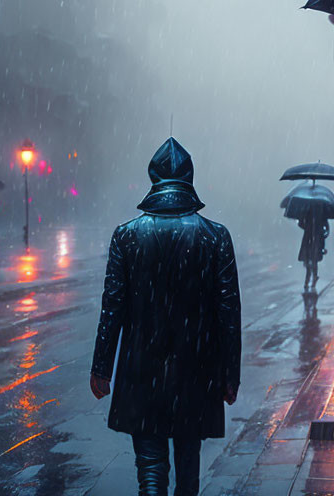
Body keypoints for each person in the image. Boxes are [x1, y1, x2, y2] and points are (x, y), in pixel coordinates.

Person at [90, 137, 241, 496]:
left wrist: (101, 366)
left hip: (142, 368)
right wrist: (229, 374)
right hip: (197, 367)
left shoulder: (126, 236)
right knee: (189, 467)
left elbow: (113, 306)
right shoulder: (216, 237)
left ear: (153, 177)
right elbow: (228, 313)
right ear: (189, 177)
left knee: (151, 469)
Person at [298, 211, 328, 291]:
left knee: (313, 259)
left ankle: (310, 279)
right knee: (310, 259)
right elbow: (326, 227)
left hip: (315, 239)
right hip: (312, 239)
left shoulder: (309, 211)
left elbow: (300, 223)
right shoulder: (319, 212)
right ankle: (310, 279)